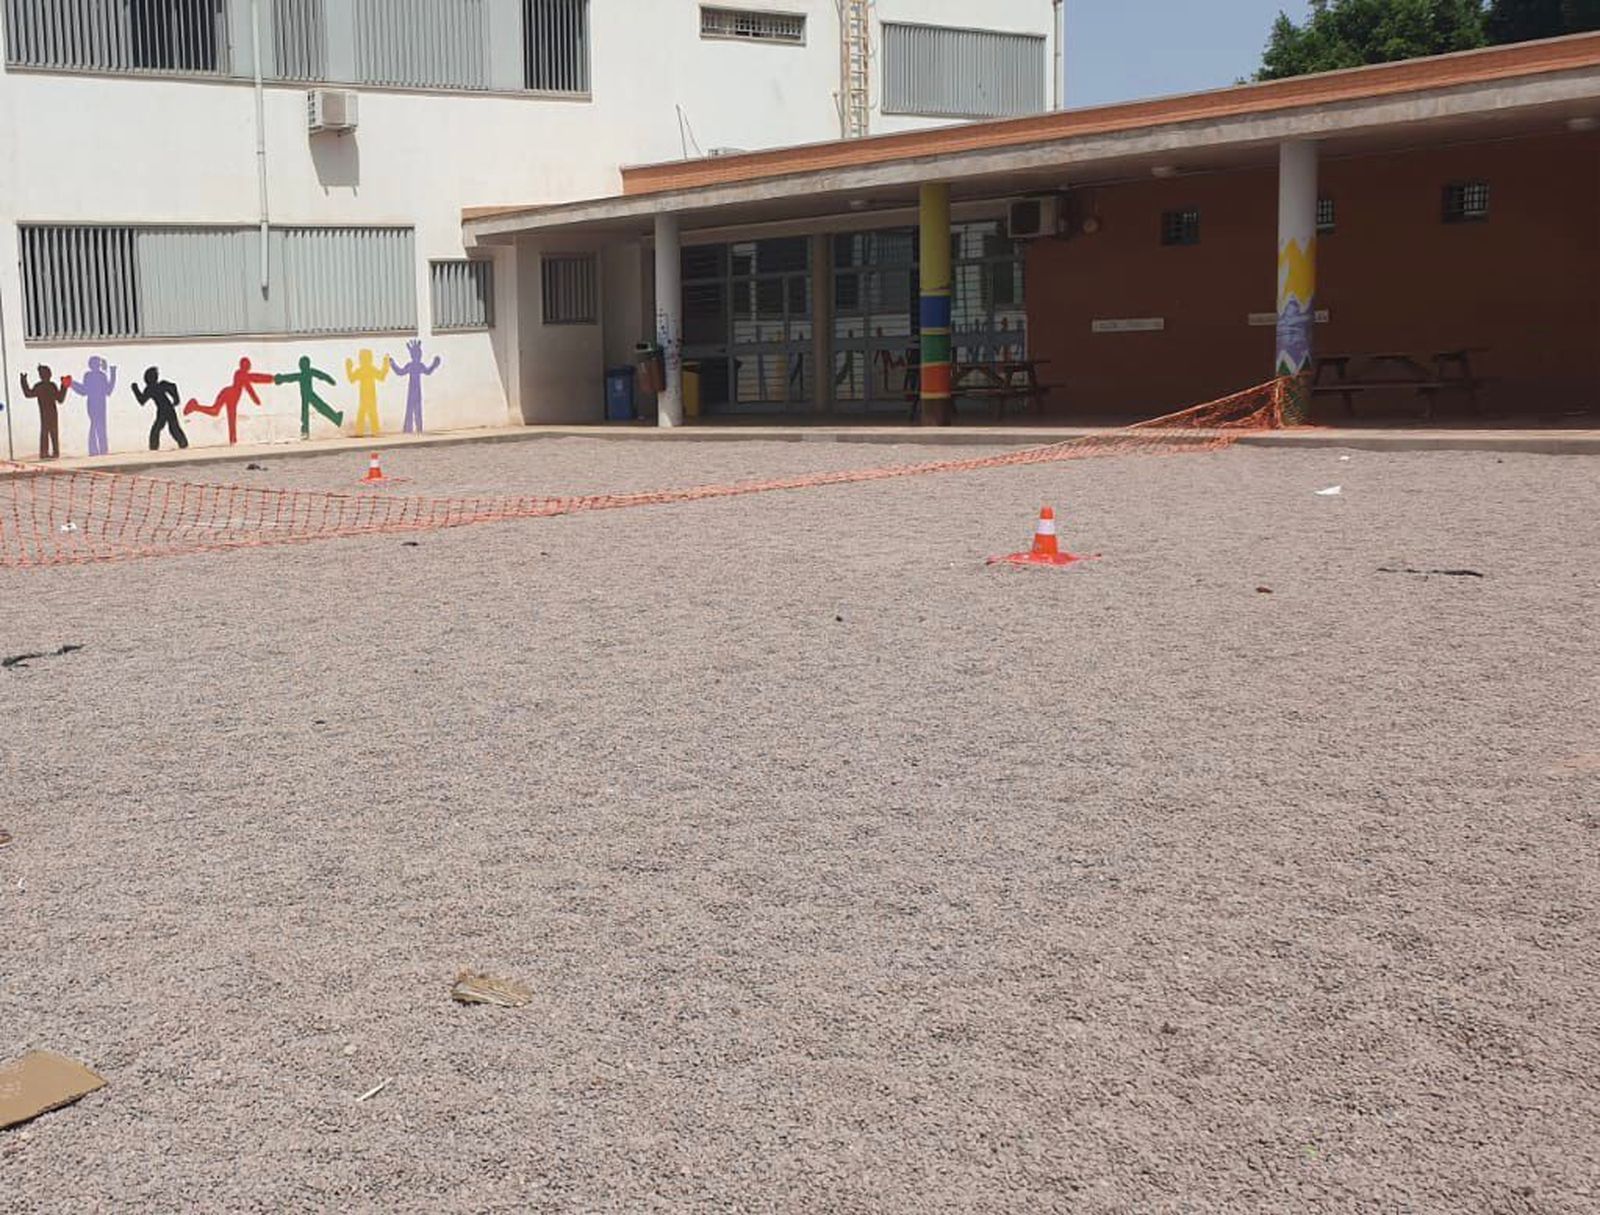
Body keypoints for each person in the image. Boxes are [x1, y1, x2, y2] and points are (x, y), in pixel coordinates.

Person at [185, 358, 274, 445]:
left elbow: (253, 381)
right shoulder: (240, 373)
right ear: (245, 366)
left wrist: (256, 398)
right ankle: (195, 407)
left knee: (223, 413)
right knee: (222, 413)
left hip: (229, 393)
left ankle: (233, 439)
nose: (249, 367)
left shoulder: (241, 373)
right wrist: (256, 399)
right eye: (248, 365)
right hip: (230, 395)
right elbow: (248, 387)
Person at [275, 356, 343, 438]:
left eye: (301, 364)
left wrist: (280, 379)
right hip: (309, 395)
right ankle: (335, 418)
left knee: (310, 411)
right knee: (319, 409)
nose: (300, 365)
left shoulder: (303, 374)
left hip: (307, 395)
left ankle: (305, 431)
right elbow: (321, 375)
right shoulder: (309, 372)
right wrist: (330, 380)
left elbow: (290, 378)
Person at [387, 339, 441, 435]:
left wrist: (393, 364)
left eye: (419, 354)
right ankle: (413, 429)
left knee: (413, 409)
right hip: (415, 390)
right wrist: (392, 364)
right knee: (414, 409)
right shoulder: (416, 365)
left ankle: (414, 429)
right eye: (418, 354)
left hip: (414, 390)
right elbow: (427, 371)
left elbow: (401, 372)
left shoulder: (414, 365)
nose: (419, 356)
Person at [130, 367, 189, 451]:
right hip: (166, 409)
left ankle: (155, 447)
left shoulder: (151, 388)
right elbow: (173, 387)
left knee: (160, 429)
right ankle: (183, 444)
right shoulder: (160, 385)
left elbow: (141, 400)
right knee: (170, 428)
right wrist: (176, 398)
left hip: (164, 409)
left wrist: (135, 389)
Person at [18, 366, 70, 460]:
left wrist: (23, 382)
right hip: (50, 413)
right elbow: (60, 399)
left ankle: (46, 453)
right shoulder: (51, 386)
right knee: (51, 432)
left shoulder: (41, 386)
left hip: (46, 413)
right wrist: (64, 386)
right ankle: (52, 453)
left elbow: (28, 394)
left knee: (47, 432)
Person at [69, 356, 117, 457]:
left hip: (99, 404)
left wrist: (112, 374)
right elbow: (85, 391)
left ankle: (100, 450)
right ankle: (96, 450)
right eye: (96, 364)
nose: (97, 366)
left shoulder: (100, 376)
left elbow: (107, 391)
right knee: (96, 425)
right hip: (95, 404)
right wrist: (72, 384)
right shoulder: (91, 376)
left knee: (98, 426)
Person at [345, 349, 389, 438]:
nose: (363, 360)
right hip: (366, 396)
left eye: (365, 358)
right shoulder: (365, 369)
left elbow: (352, 379)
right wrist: (348, 367)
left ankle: (372, 432)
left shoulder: (366, 369)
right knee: (364, 414)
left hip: (369, 396)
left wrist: (386, 363)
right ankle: (368, 432)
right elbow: (382, 376)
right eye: (362, 358)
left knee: (369, 413)